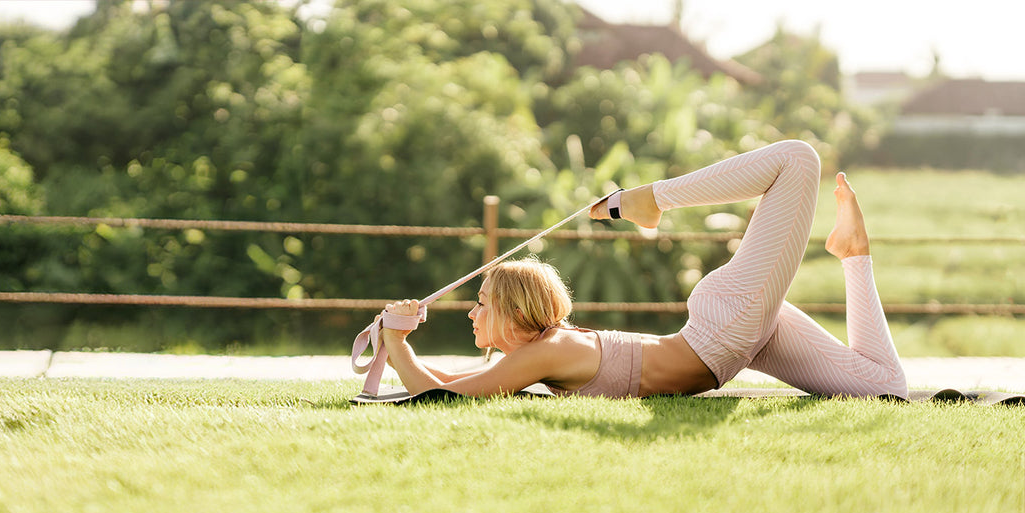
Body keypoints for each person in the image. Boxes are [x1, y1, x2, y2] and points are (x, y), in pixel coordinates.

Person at [378, 140, 909, 399]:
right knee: (886, 389)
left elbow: (441, 398)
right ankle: (854, 254)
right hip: (734, 337)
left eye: (481, 304)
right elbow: (455, 380)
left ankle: (650, 200)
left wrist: (398, 343)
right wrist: (396, 342)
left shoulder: (551, 349)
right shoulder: (544, 351)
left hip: (725, 330)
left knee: (798, 160)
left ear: (515, 312)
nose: (472, 313)